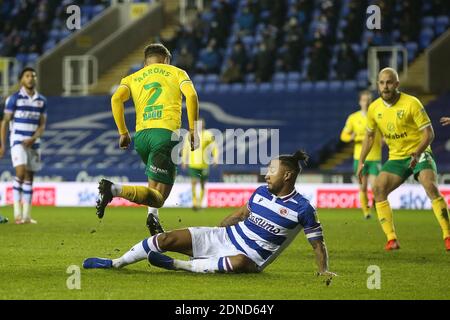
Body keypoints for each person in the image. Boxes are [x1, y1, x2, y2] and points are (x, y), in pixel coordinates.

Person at [83, 151, 337, 279]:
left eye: (272, 170)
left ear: (288, 175)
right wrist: (215, 234)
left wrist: (323, 271)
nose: (266, 174)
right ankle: (115, 262)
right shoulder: (260, 192)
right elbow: (239, 215)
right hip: (224, 238)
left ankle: (176, 265)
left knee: (238, 262)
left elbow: (318, 243)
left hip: (247, 258)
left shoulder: (302, 208)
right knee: (167, 240)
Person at [96, 43, 199, 236]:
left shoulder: (132, 77)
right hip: (166, 133)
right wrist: (193, 129)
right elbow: (192, 96)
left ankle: (153, 217)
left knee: (154, 182)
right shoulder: (177, 72)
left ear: (145, 62)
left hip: (141, 137)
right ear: (166, 59)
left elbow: (115, 99)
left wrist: (123, 132)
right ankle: (114, 189)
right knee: (159, 197)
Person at [358, 68, 450, 251]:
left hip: (420, 152)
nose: (385, 86)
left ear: (397, 84)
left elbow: (429, 134)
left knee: (430, 185)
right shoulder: (374, 108)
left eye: (389, 82)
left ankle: (448, 235)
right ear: (377, 85)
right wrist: (361, 161)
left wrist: (417, 153)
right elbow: (369, 137)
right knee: (378, 188)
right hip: (397, 158)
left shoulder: (412, 103)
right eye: (382, 83)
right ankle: (392, 239)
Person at [0, 67, 47, 225]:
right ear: (21, 79)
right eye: (27, 76)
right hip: (18, 141)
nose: (30, 78)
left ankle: (26, 216)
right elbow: (5, 122)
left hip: (34, 143)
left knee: (30, 177)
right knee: (20, 172)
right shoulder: (14, 99)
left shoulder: (41, 100)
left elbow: (42, 125)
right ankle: (17, 214)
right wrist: (2, 144)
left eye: (33, 76)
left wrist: (34, 138)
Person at [340, 90, 382, 219]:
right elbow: (343, 136)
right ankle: (366, 212)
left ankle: (375, 202)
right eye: (364, 100)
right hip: (360, 158)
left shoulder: (378, 116)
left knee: (375, 187)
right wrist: (354, 137)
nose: (366, 102)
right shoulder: (353, 118)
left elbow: (384, 132)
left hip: (375, 157)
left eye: (368, 100)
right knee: (363, 187)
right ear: (360, 102)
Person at [181, 118, 218, 210]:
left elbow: (214, 147)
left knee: (202, 184)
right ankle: (194, 203)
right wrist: (184, 160)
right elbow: (186, 148)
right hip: (193, 164)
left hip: (204, 164)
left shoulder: (208, 134)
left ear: (204, 125)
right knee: (193, 182)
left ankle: (200, 204)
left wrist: (216, 158)